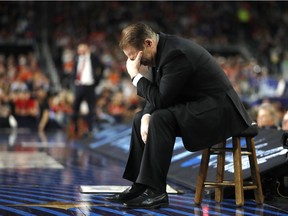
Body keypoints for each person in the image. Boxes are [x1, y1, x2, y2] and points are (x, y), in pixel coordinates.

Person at [106, 23, 254, 209]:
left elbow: (161, 99)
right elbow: (158, 93)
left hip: (219, 111)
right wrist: (145, 116)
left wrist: (135, 76)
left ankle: (156, 191)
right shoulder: (159, 52)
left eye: (135, 58)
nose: (136, 63)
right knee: (139, 118)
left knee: (160, 119)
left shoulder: (175, 54)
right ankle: (139, 186)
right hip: (197, 106)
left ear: (148, 43)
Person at [71, 42, 103, 137]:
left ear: (87, 48)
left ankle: (90, 128)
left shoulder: (93, 57)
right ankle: (75, 128)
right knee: (75, 107)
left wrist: (97, 80)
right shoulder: (77, 58)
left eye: (82, 48)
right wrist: (73, 79)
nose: (80, 51)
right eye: (79, 49)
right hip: (79, 85)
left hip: (90, 85)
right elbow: (74, 70)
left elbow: (102, 67)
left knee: (91, 108)